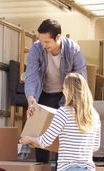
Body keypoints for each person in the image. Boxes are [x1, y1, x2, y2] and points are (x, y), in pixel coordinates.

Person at [20, 73, 101, 171]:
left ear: (69, 90)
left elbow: (45, 141)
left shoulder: (63, 113)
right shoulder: (94, 115)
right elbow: (95, 146)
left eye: (64, 87)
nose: (63, 90)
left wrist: (29, 139)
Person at [24, 18, 87, 163]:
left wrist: (77, 106)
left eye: (47, 42)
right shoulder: (37, 48)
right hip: (44, 93)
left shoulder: (74, 50)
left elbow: (81, 81)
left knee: (64, 133)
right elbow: (31, 75)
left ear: (58, 37)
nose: (43, 45)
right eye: (41, 41)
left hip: (65, 96)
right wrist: (31, 99)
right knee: (40, 131)